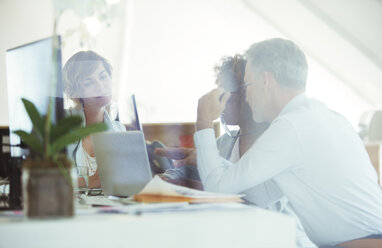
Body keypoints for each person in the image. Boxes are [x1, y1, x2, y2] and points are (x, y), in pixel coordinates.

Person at [194, 38, 382, 247]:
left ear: (266, 80)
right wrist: (208, 162)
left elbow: (217, 189)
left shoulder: (290, 128)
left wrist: (203, 122)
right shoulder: (323, 118)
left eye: (247, 85)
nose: (246, 97)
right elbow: (259, 193)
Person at [156, 55, 315, 247]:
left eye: (226, 92)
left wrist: (204, 122)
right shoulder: (226, 142)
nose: (220, 100)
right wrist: (166, 180)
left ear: (250, 93)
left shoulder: (279, 142)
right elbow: (190, 173)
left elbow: (262, 208)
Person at [63, 51, 126, 189]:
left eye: (103, 77)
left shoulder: (120, 130)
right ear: (75, 92)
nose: (100, 86)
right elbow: (47, 181)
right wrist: (88, 182)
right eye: (88, 82)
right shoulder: (62, 126)